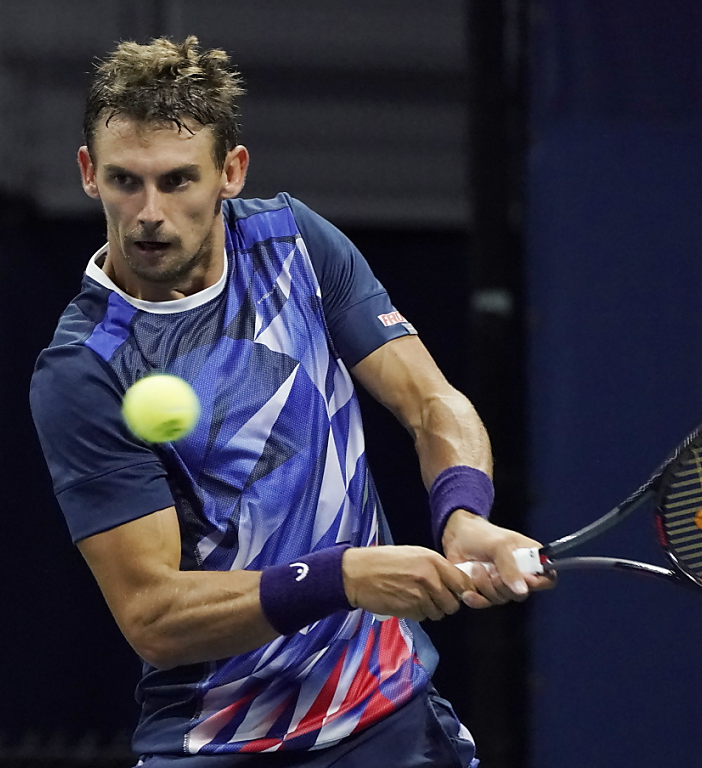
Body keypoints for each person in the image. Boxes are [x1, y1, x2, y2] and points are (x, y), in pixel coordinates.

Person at [30, 36, 551, 767]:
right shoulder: (84, 369)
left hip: (388, 720)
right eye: (126, 181)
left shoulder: (293, 244)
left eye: (178, 181)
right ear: (89, 173)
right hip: (220, 742)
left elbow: (432, 402)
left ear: (231, 171)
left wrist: (464, 515)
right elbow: (155, 617)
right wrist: (344, 577)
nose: (149, 213)